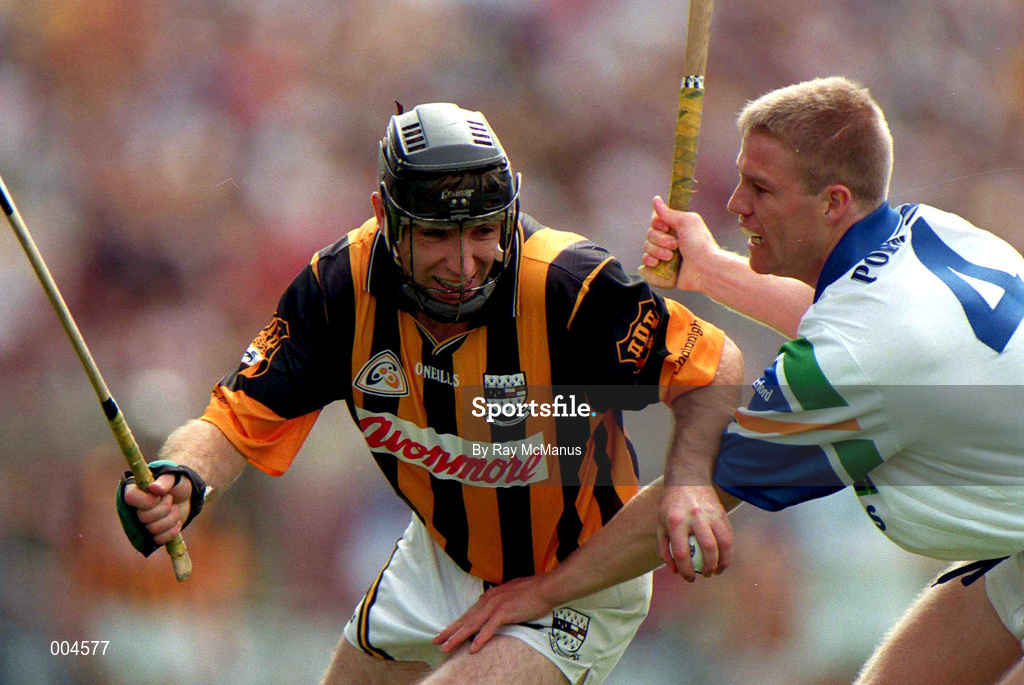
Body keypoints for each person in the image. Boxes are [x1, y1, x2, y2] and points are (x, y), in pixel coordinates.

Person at [115, 101, 743, 685]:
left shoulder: (568, 285)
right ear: (386, 218)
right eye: (437, 236)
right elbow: (235, 419)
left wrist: (688, 481)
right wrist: (182, 478)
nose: (465, 263)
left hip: (579, 576)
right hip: (440, 562)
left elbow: (714, 367)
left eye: (480, 232)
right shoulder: (338, 291)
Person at [434, 77, 1024, 685]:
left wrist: (542, 592)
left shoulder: (857, 355)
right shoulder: (928, 230)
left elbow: (706, 490)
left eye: (761, 189)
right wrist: (713, 271)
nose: (736, 204)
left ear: (834, 203)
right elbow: (844, 322)